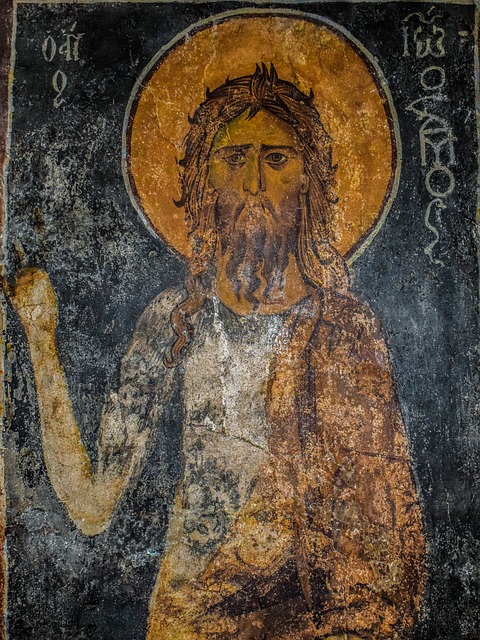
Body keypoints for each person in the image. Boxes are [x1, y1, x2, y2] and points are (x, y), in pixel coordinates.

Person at [7, 64, 426, 639]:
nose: (254, 182)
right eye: (234, 159)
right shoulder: (173, 319)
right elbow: (90, 504)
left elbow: (384, 546)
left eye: (276, 159)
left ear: (309, 181)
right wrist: (40, 336)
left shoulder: (345, 330)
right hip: (185, 623)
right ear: (206, 182)